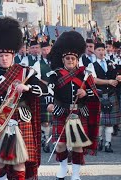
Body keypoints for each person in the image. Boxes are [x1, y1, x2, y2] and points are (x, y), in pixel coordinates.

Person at [0, 17, 48, 180]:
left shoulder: (25, 73)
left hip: (21, 120)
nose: (4, 58)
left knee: (19, 161)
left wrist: (27, 87)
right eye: (1, 56)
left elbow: (45, 89)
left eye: (7, 55)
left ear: (13, 54)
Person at [46, 31, 100, 180]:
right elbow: (49, 91)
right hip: (61, 111)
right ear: (63, 60)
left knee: (77, 145)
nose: (70, 60)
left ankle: (75, 174)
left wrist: (85, 92)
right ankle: (63, 167)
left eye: (73, 58)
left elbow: (94, 94)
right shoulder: (54, 75)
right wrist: (50, 104)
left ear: (77, 60)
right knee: (60, 144)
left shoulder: (84, 75)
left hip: (79, 112)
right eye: (67, 58)